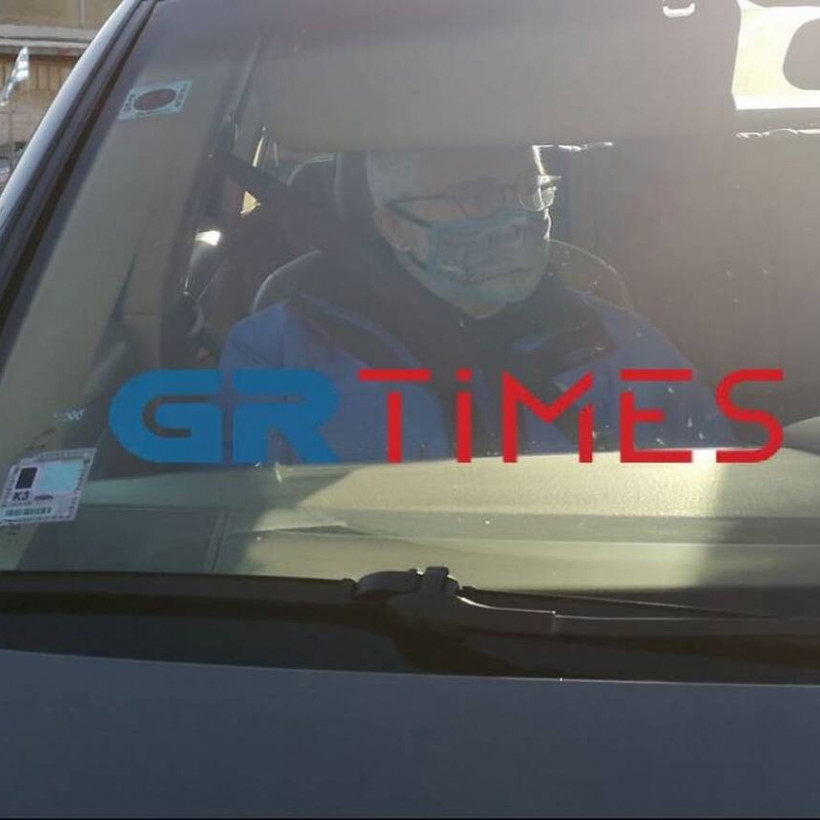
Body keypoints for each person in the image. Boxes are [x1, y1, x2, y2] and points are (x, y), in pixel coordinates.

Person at [220, 146, 733, 464]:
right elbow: (241, 531)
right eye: (476, 197)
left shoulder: (623, 344)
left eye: (530, 190)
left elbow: (708, 507)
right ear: (394, 227)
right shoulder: (279, 354)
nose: (517, 220)